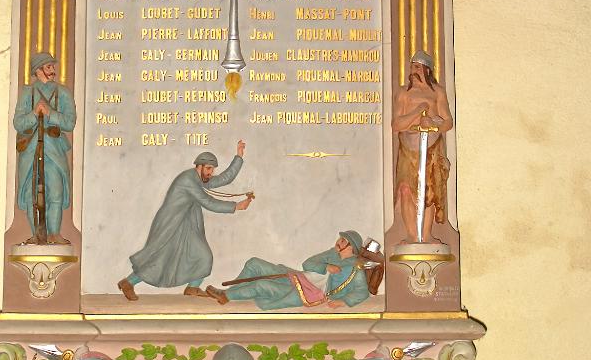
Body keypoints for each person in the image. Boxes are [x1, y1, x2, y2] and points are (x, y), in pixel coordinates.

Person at [117, 141, 252, 301]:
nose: (211, 172)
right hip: (171, 224)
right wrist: (235, 206)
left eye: (212, 169)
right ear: (199, 166)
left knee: (204, 255)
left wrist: (239, 156)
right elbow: (207, 201)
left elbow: (223, 179)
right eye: (209, 169)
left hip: (185, 225)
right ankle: (128, 282)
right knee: (160, 258)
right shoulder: (188, 180)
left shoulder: (199, 177)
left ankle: (193, 288)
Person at [211, 231, 371, 309]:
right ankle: (229, 293)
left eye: (343, 240)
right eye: (340, 238)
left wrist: (341, 302)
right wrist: (325, 266)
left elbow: (362, 292)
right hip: (299, 278)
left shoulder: (354, 268)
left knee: (262, 285)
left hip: (310, 292)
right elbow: (307, 263)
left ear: (351, 248)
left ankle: (226, 295)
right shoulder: (331, 253)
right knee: (254, 263)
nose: (338, 241)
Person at [13, 52, 76, 245]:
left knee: (55, 191)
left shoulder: (63, 93)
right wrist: (34, 114)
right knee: (32, 193)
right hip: (31, 151)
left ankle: (54, 233)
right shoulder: (27, 93)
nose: (53, 71)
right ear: (37, 70)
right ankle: (36, 234)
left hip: (54, 151)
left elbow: (69, 122)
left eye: (52, 67)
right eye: (48, 67)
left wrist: (50, 113)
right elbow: (18, 122)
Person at [391, 51, 453, 243]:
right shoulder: (404, 92)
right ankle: (412, 235)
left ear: (427, 69)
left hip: (431, 145)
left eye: (417, 67)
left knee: (430, 190)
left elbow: (448, 121)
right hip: (408, 146)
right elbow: (396, 125)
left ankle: (425, 236)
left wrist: (433, 124)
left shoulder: (437, 92)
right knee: (406, 189)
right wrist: (417, 114)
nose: (413, 70)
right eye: (411, 66)